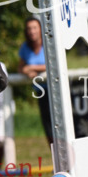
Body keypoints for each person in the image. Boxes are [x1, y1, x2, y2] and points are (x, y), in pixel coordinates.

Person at [19, 16, 53, 145]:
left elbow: (52, 64)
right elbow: (20, 67)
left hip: (54, 89)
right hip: (41, 91)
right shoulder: (25, 48)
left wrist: (32, 67)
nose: (31, 31)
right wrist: (26, 71)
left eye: (34, 28)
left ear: (40, 29)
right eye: (29, 29)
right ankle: (55, 158)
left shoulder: (49, 43)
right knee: (48, 127)